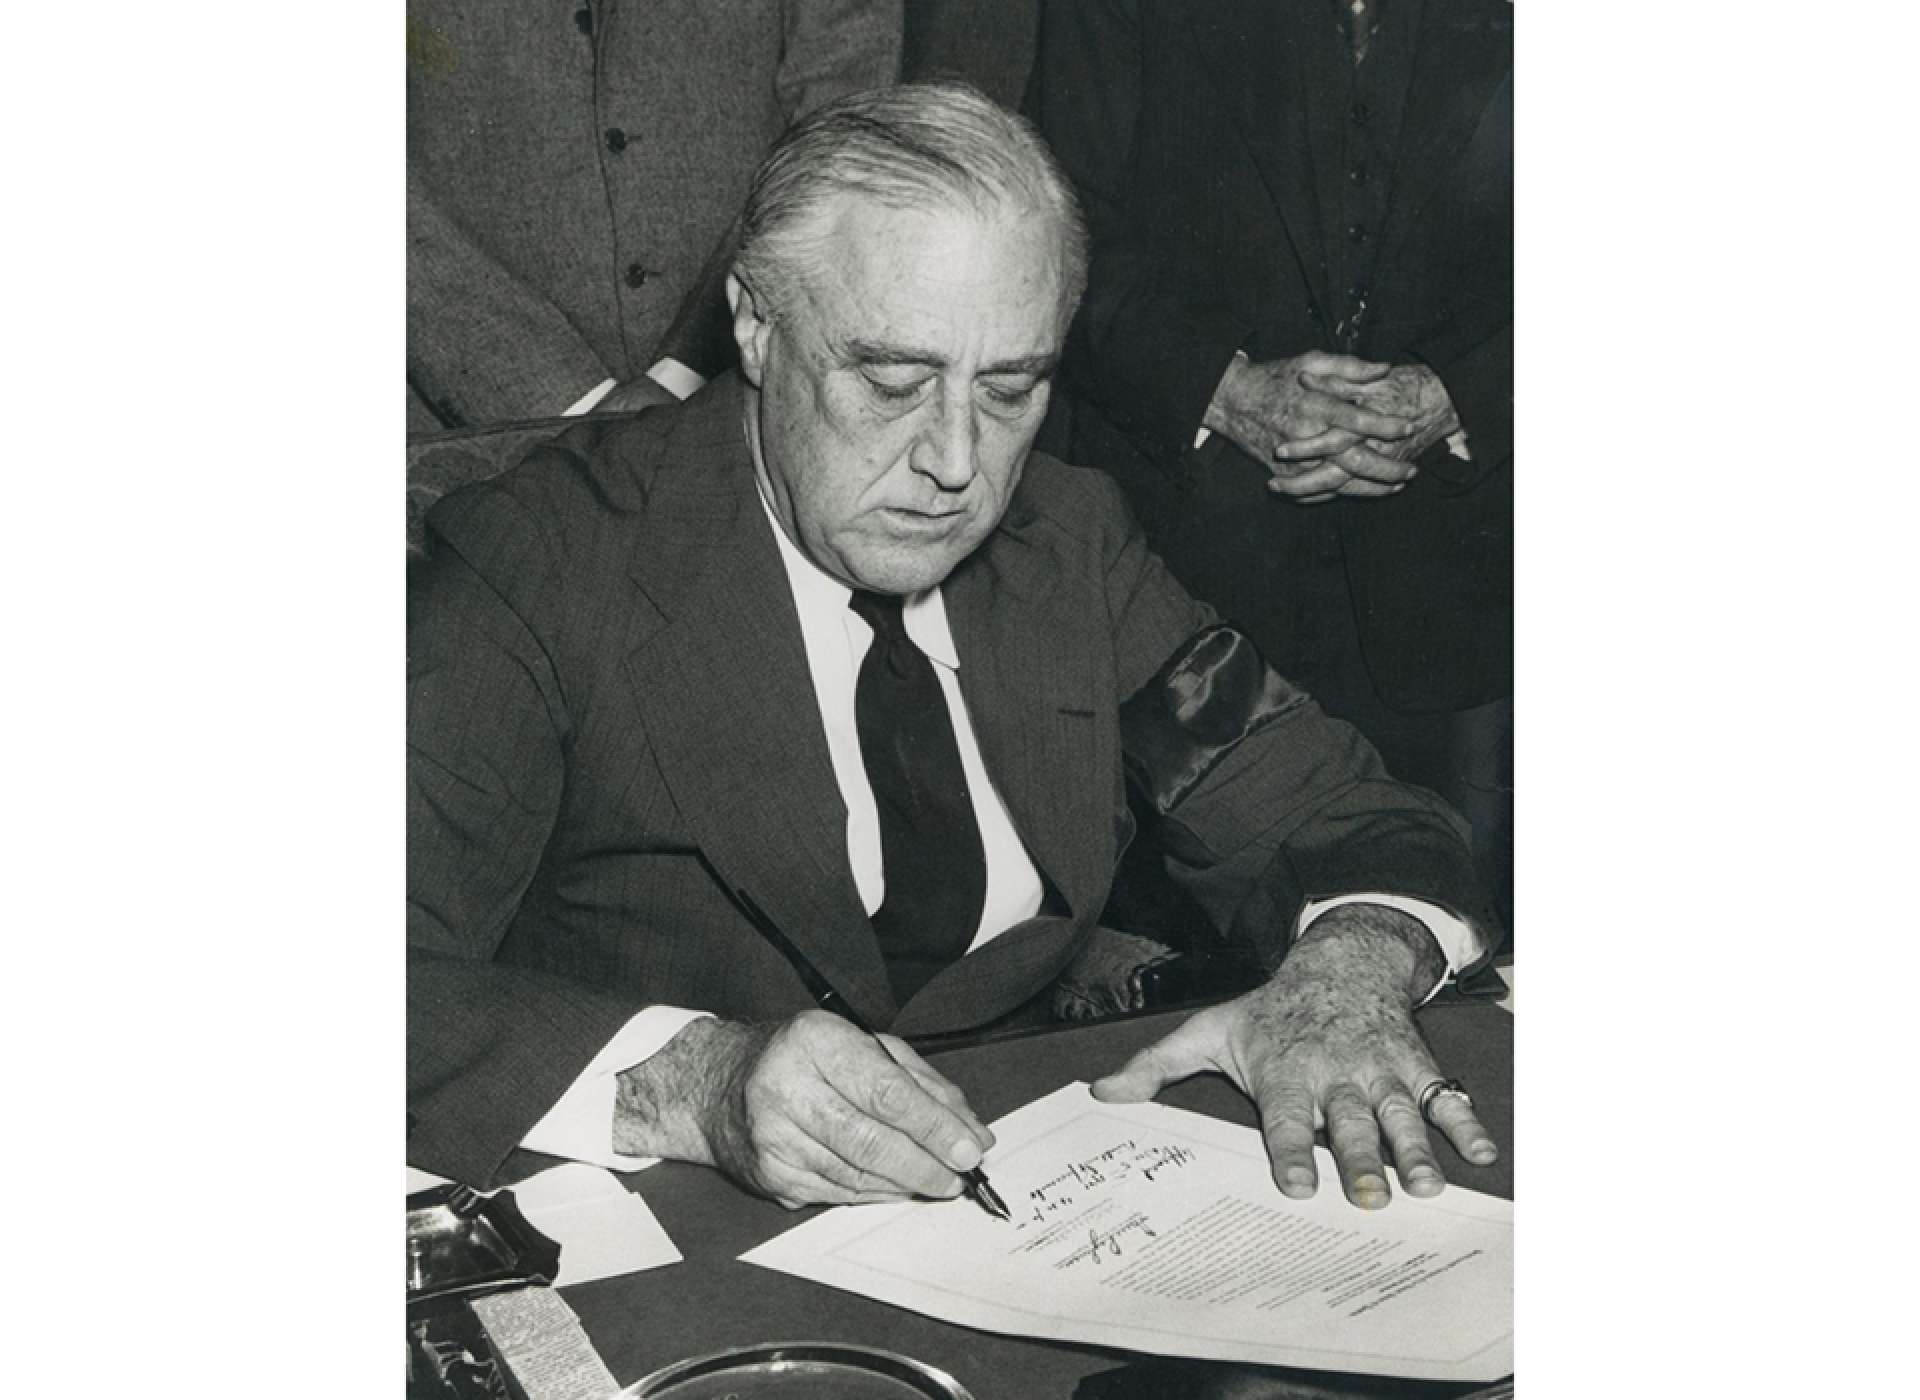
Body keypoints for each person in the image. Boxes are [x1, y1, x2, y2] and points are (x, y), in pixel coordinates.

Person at [408, 82, 1499, 1216]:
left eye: (1012, 387)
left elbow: (1349, 814)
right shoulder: (542, 562)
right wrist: (690, 1082)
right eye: (892, 380)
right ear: (756, 324)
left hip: (1044, 1207)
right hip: (662, 1231)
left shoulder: (1066, 545)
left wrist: (1343, 975)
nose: (957, 460)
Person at [1029, 0, 1514, 931]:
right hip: (1181, 580)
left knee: (1450, 957)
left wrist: (1465, 396)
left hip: (1463, 591)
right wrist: (1228, 390)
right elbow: (1051, 213)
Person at [405, 0, 903, 433]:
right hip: (456, 434)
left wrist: (689, 368)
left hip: (747, 406)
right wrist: (565, 399)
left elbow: (840, 127)